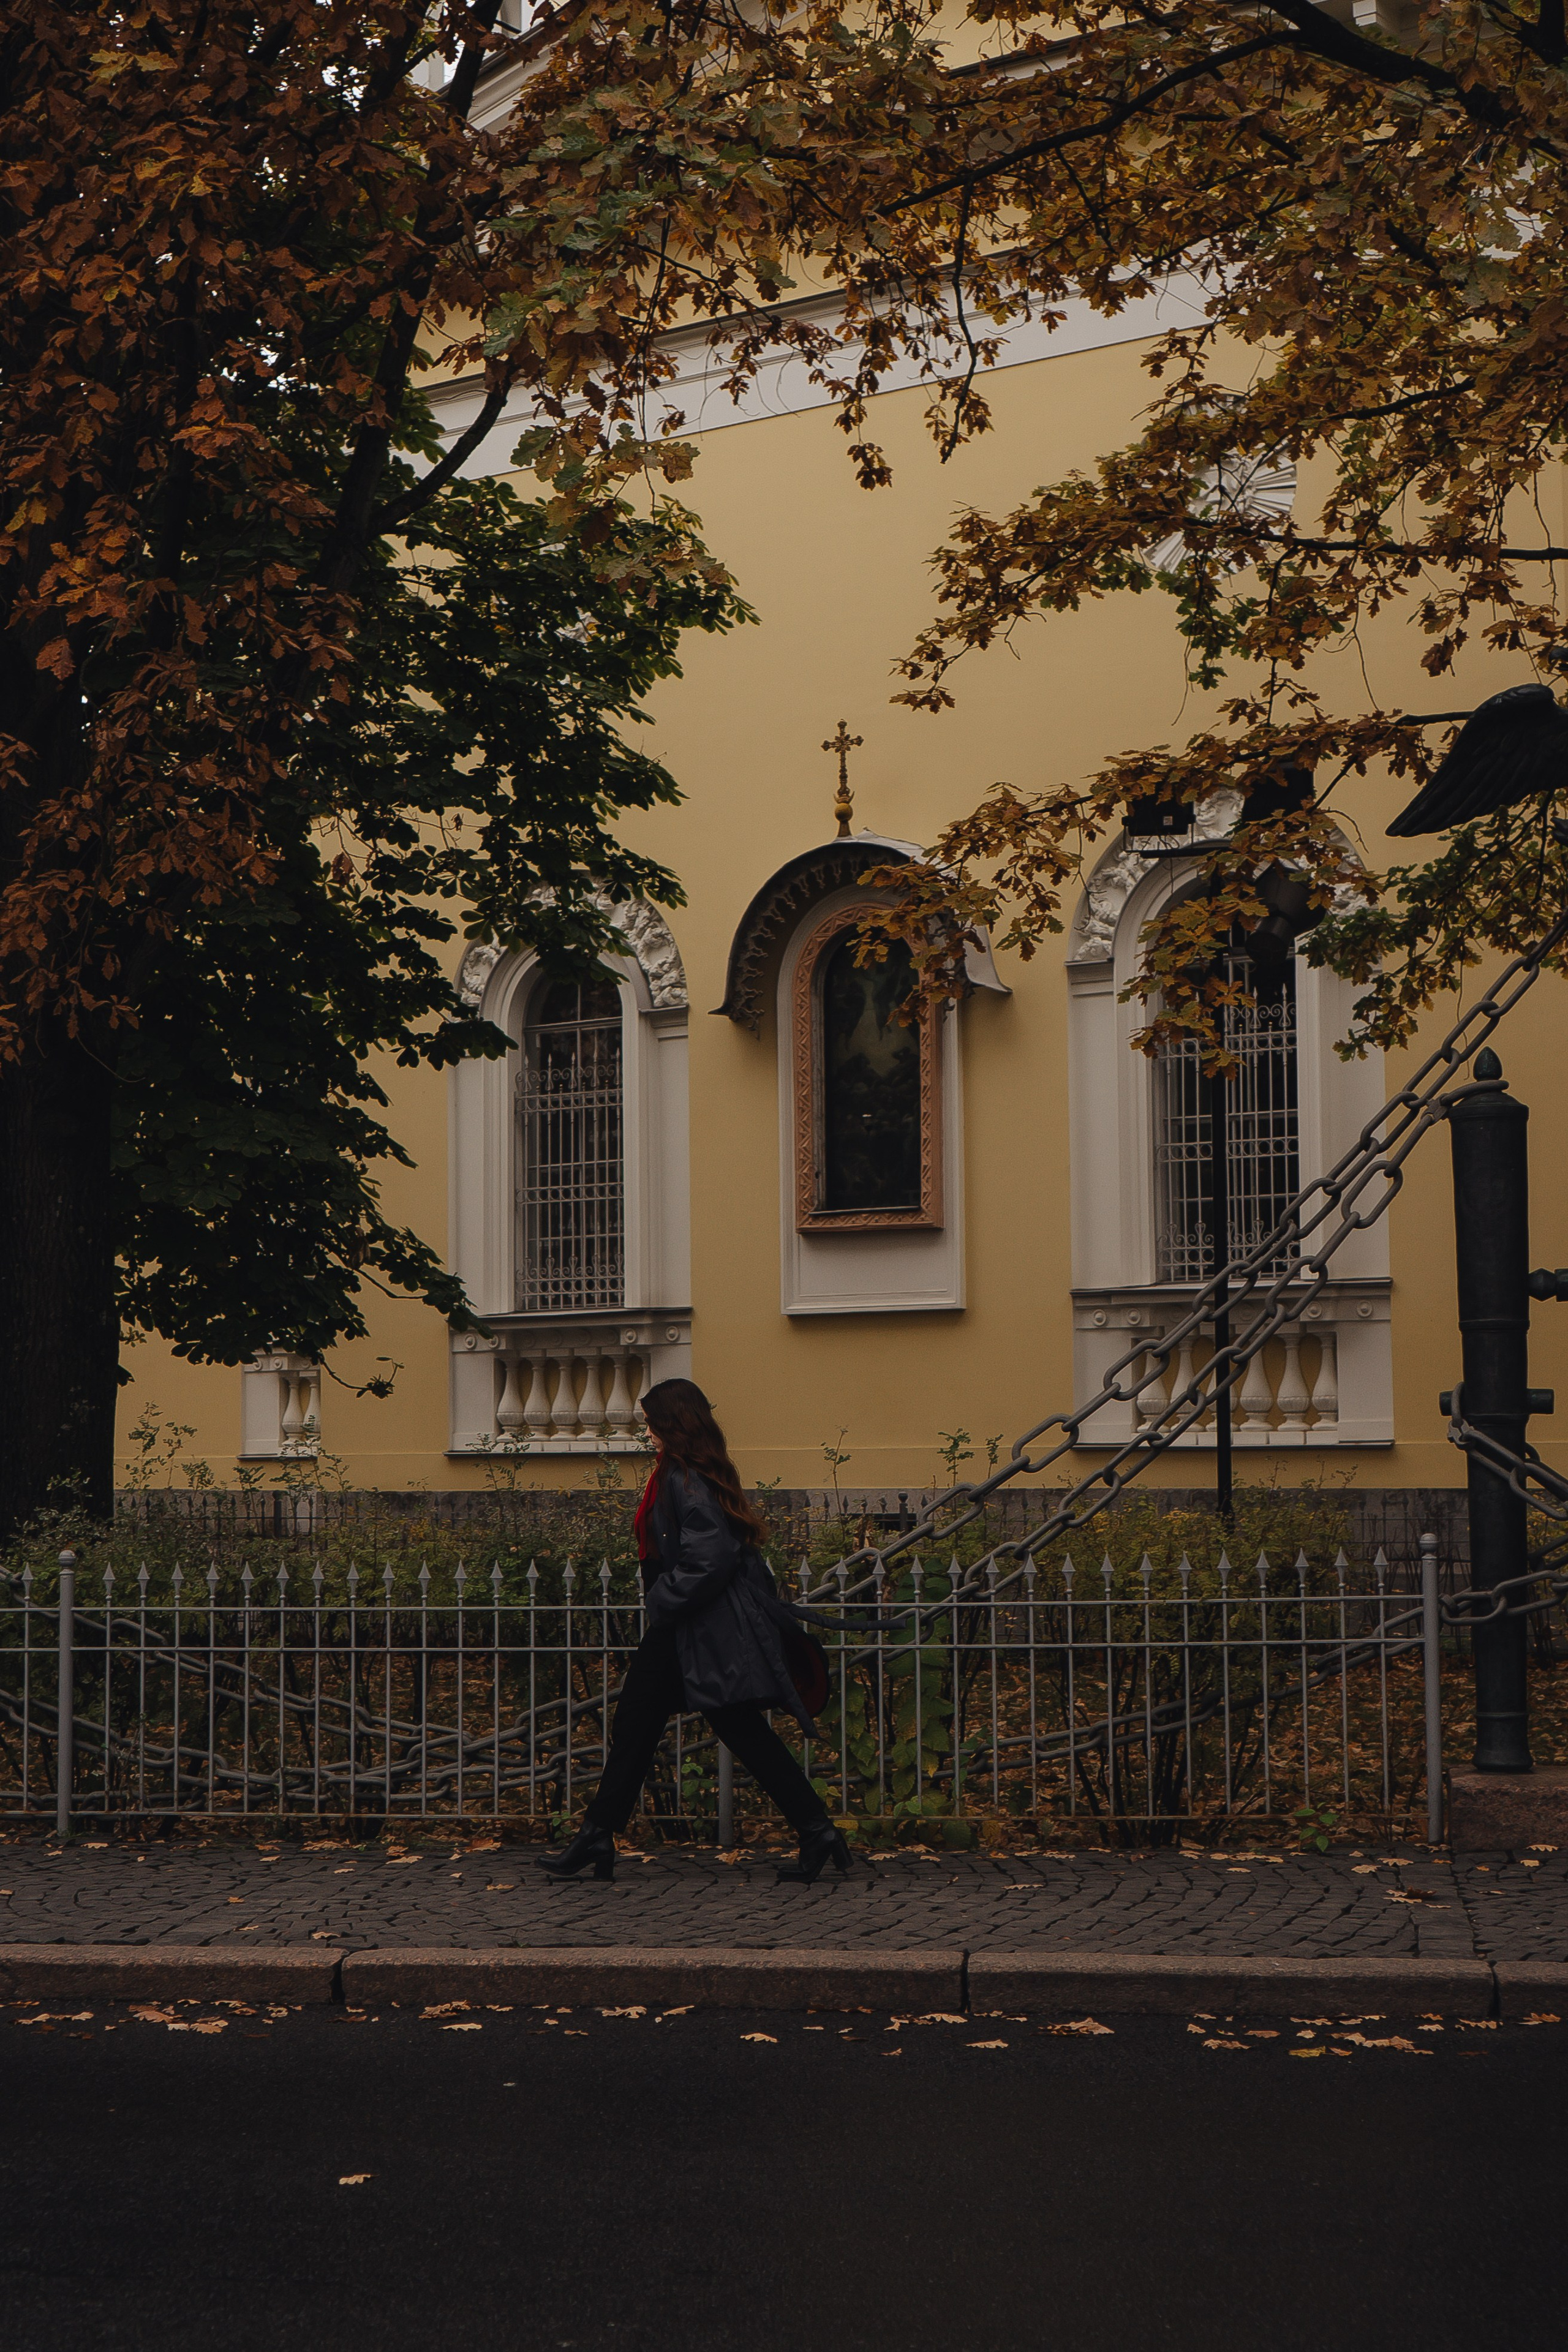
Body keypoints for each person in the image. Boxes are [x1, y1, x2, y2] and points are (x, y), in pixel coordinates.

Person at [539, 1378, 851, 1887]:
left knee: (673, 1725)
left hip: (690, 1626)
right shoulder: (682, 1472)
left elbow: (711, 1556)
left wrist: (662, 1599)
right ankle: (600, 1833)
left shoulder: (685, 1477)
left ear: (674, 1422)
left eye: (651, 1421)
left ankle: (598, 1834)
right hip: (690, 1626)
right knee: (666, 1727)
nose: (646, 1431)